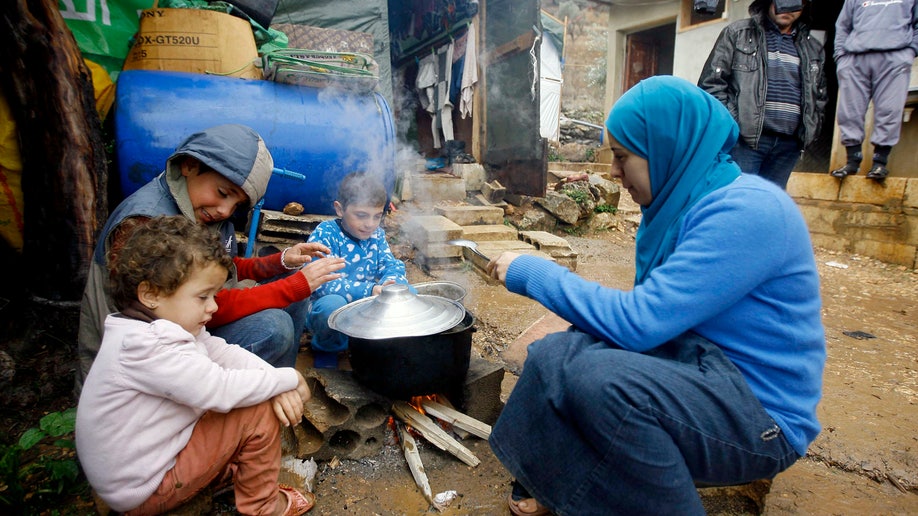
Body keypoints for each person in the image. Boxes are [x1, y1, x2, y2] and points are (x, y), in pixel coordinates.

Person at [485, 76, 826, 515]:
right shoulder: (678, 206)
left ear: (667, 146)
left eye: (623, 157)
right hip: (696, 368)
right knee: (557, 349)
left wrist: (536, 273)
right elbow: (648, 324)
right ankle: (554, 480)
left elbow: (638, 323)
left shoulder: (748, 211)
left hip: (757, 414)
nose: (613, 172)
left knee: (603, 381)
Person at [76, 215, 316, 515]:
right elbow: (219, 388)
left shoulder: (149, 327)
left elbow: (220, 351)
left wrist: (271, 377)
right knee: (256, 409)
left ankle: (215, 473)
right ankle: (264, 506)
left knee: (250, 391)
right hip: (145, 488)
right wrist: (287, 378)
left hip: (139, 470)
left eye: (213, 295)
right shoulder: (148, 345)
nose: (213, 307)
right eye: (203, 297)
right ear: (150, 294)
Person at [77, 124, 346, 391]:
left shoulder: (197, 208)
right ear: (190, 165)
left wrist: (281, 261)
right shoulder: (146, 223)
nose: (226, 211)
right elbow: (200, 303)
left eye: (237, 204)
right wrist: (294, 286)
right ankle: (249, 402)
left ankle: (277, 393)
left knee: (293, 290)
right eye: (223, 193)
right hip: (146, 361)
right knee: (274, 326)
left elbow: (223, 269)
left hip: (190, 326)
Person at [698, 0, 827, 189]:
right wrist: (733, 125)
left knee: (768, 206)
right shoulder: (737, 34)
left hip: (788, 146)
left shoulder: (813, 48)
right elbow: (711, 84)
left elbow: (820, 96)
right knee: (737, 199)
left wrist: (811, 130)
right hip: (745, 143)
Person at [304, 171, 411, 368]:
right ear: (339, 209)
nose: (370, 224)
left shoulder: (376, 235)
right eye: (361, 215)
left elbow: (391, 264)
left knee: (408, 292)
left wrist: (392, 283)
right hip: (330, 307)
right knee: (331, 305)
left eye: (377, 216)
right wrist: (370, 290)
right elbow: (322, 282)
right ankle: (328, 348)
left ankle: (381, 344)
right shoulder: (326, 234)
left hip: (366, 306)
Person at [830, 0, 918, 181]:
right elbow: (843, 25)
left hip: (895, 56)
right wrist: (841, 57)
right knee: (850, 110)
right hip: (855, 57)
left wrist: (910, 52)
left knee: (890, 109)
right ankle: (852, 161)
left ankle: (880, 162)